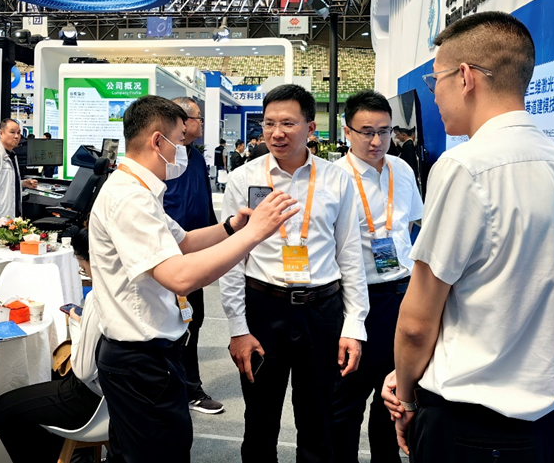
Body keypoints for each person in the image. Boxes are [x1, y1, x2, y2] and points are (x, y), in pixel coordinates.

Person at [381, 12, 554, 462]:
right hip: (544, 429)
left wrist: (405, 396)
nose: (434, 93)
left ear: (465, 77)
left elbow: (417, 322)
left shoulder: (465, 166)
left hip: (468, 431)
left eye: (435, 79)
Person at [89, 95, 299, 463]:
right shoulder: (130, 198)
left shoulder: (139, 190)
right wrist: (254, 235)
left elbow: (184, 241)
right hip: (141, 359)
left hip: (147, 355)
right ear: (158, 141)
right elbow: (180, 277)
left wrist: (234, 227)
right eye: (179, 140)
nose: (182, 150)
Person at [220, 84, 368, 463]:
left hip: (322, 311)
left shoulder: (336, 179)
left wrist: (354, 325)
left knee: (319, 421)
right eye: (269, 123)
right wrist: (237, 328)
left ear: (310, 128)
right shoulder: (244, 178)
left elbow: (350, 254)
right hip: (263, 308)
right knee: (259, 419)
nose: (277, 133)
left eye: (288, 123)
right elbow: (232, 259)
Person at [331, 90, 424, 463]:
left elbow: (410, 225)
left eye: (384, 131)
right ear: (347, 132)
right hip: (355, 301)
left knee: (394, 395)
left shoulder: (402, 170)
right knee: (346, 399)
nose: (376, 141)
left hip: (402, 296)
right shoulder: (334, 177)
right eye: (366, 131)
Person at [0, 228, 103, 463]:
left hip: (96, 397)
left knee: (2, 411)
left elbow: (83, 371)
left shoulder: (100, 297)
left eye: (83, 267)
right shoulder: (151, 290)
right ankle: (74, 454)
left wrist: (77, 325)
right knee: (49, 377)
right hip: (133, 398)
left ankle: (67, 456)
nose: (85, 272)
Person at [163, 97, 224, 414]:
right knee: (170, 323)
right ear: (183, 121)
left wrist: (217, 237)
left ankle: (189, 387)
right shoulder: (163, 158)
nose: (202, 123)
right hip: (169, 256)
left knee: (193, 320)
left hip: (196, 253)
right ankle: (178, 388)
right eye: (199, 117)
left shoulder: (196, 157)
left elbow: (204, 203)